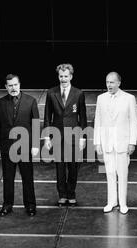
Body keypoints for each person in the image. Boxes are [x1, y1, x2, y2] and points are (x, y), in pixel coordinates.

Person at [0, 74, 40, 217]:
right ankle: (7, 205)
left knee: (27, 177)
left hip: (25, 147)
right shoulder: (0, 102)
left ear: (19, 84)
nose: (13, 88)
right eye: (10, 86)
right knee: (8, 178)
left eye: (15, 85)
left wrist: (35, 145)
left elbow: (36, 124)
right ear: (6, 87)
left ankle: (30, 205)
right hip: (7, 147)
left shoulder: (30, 101)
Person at [94, 72, 137, 215]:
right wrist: (97, 142)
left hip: (122, 143)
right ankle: (111, 201)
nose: (109, 85)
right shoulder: (101, 98)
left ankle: (123, 203)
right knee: (110, 173)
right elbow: (98, 121)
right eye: (107, 82)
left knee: (123, 174)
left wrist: (132, 142)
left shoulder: (129, 98)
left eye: (112, 82)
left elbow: (133, 122)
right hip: (107, 143)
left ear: (119, 83)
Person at [44, 64, 88, 207]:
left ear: (71, 77)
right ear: (58, 76)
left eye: (66, 76)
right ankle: (62, 195)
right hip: (57, 136)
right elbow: (47, 116)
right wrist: (46, 137)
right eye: (61, 76)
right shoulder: (51, 93)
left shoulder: (78, 93)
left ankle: (71, 193)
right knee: (60, 167)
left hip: (74, 135)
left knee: (73, 166)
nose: (63, 79)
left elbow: (83, 117)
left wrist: (83, 137)